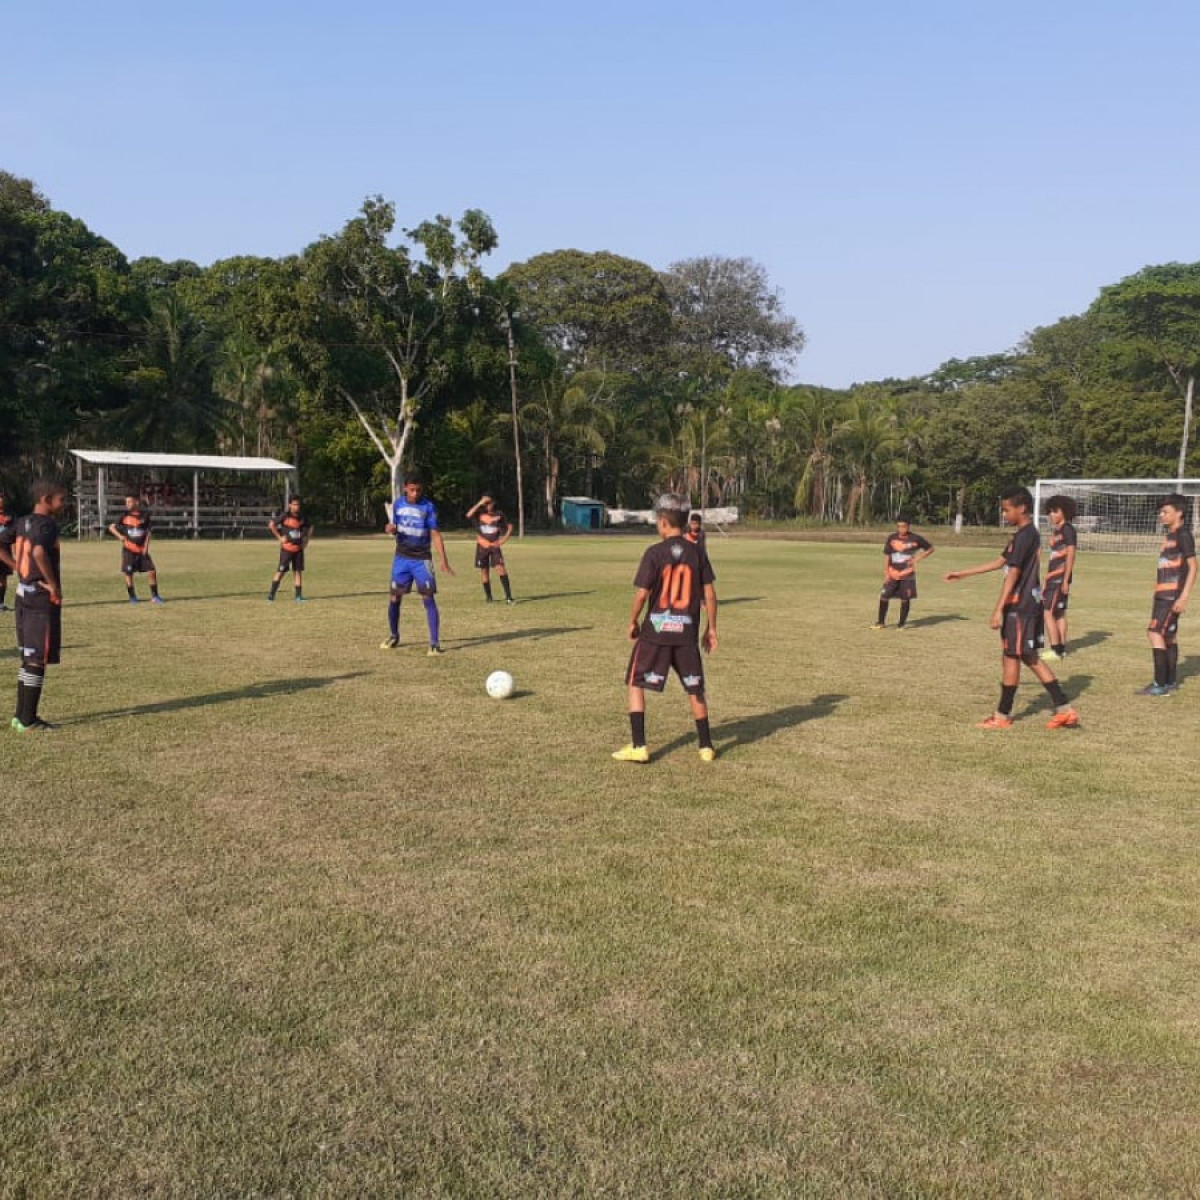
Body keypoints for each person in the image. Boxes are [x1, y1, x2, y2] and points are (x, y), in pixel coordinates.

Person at [944, 486, 1079, 730]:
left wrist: (999, 608)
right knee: (1025, 657)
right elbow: (1001, 562)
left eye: (1007, 510)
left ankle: (1003, 716)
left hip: (1020, 607)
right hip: (1025, 607)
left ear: (1022, 508)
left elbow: (1014, 572)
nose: (1004, 515)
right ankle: (1062, 710)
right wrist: (963, 573)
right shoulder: (1023, 535)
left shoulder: (1026, 535)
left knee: (1012, 657)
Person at [613, 493, 718, 764]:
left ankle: (639, 746)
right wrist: (711, 629)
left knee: (635, 683)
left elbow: (641, 594)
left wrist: (633, 620)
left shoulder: (654, 553)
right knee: (695, 688)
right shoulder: (697, 552)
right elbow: (710, 594)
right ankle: (705, 746)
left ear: (662, 522)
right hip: (686, 634)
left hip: (656, 633)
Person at [12, 480, 66, 731]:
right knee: (36, 659)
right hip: (39, 600)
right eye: (60, 499)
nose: (62, 504)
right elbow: (38, 554)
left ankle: (21, 716)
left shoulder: (22, 521)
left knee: (29, 657)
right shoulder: (47, 525)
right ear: (46, 498)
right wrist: (53, 585)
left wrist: (17, 569)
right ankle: (28, 719)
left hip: (23, 596)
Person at [381, 472, 455, 654]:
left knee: (428, 598)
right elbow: (393, 528)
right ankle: (394, 635)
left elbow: (435, 534)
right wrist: (389, 529)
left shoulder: (428, 507)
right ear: (405, 488)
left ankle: (434, 644)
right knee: (394, 597)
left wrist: (443, 560)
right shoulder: (398, 504)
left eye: (418, 490)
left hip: (422, 559)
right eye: (412, 490)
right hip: (401, 558)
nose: (415, 494)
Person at [1141, 493, 1198, 696]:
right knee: (1169, 637)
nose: (1161, 516)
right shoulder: (1170, 536)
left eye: (1166, 512)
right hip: (1162, 595)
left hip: (1171, 596)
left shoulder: (1183, 535)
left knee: (1155, 632)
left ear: (1179, 513)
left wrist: (1183, 597)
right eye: (1160, 512)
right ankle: (1171, 681)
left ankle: (1159, 684)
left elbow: (1193, 567)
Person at [872, 514, 934, 629]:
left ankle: (901, 624)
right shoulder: (892, 538)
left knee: (905, 598)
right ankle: (880, 622)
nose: (901, 529)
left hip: (907, 573)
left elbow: (930, 549)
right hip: (892, 572)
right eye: (899, 527)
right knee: (884, 596)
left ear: (908, 526)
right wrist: (886, 573)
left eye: (903, 527)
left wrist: (917, 558)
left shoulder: (916, 538)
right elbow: (887, 556)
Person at [1040, 495, 1078, 662]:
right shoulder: (1057, 531)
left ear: (1065, 512)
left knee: (1047, 611)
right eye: (1050, 512)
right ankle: (1061, 648)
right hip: (1053, 577)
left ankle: (1055, 650)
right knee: (1059, 613)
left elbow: (1071, 554)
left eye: (1055, 511)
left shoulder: (1067, 530)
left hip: (1058, 578)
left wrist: (1065, 579)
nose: (1052, 515)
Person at [107, 495, 163, 604]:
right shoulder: (123, 516)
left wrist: (146, 546)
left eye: (129, 502)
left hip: (142, 549)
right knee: (128, 573)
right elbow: (111, 527)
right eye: (126, 502)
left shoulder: (144, 516)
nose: (127, 504)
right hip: (128, 549)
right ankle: (132, 598)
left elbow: (148, 532)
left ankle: (155, 596)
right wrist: (120, 537)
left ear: (136, 502)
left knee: (151, 570)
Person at [465, 494, 514, 604]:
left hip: (494, 547)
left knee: (501, 568)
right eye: (485, 503)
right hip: (482, 547)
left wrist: (503, 540)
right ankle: (489, 597)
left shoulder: (499, 514)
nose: (487, 505)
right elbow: (468, 515)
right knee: (484, 570)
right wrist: (479, 503)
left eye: (489, 502)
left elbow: (509, 527)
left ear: (493, 502)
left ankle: (509, 597)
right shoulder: (479, 513)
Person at [267, 497, 312, 602]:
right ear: (290, 505)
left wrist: (306, 542)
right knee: (281, 571)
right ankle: (271, 595)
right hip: (287, 550)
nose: (297, 507)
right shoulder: (285, 516)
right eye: (295, 504)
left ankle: (298, 596)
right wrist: (279, 538)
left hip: (298, 549)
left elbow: (310, 528)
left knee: (298, 572)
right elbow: (271, 524)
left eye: (298, 505)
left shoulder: (302, 517)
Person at [0, 492, 14, 611]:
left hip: (5, 551)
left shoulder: (9, 515)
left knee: (3, 579)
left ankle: (1, 604)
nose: (1, 500)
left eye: (2, 498)